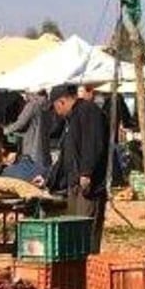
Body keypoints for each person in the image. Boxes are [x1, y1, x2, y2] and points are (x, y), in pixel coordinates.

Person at [50, 83, 109, 251]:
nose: (56, 113)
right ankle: (78, 269)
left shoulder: (88, 112)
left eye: (55, 107)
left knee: (86, 228)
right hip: (75, 184)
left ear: (61, 102)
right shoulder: (72, 118)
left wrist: (86, 172)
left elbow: (94, 144)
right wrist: (49, 177)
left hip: (88, 186)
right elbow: (67, 154)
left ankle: (88, 267)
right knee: (75, 230)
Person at [5, 88, 53, 177]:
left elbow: (20, 123)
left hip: (32, 147)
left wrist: (6, 129)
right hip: (45, 147)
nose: (25, 96)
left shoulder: (32, 105)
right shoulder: (49, 105)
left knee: (31, 174)